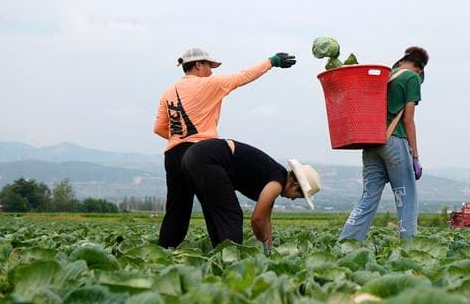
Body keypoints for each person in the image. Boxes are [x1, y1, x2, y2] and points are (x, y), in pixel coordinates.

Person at [153, 47, 297, 248]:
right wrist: (271, 62)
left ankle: (163, 254)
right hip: (202, 152)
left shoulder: (167, 93)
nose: (211, 71)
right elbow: (242, 77)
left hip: (173, 154)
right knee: (224, 212)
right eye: (209, 66)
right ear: (198, 65)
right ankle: (227, 261)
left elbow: (159, 128)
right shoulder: (209, 84)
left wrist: (182, 136)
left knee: (177, 210)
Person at [339, 46, 428, 241]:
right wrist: (415, 156)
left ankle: (346, 242)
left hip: (371, 142)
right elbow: (408, 120)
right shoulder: (412, 78)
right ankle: (409, 247)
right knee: (406, 197)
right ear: (420, 69)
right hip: (394, 141)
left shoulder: (384, 76)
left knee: (368, 197)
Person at [180, 138, 321, 253]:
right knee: (232, 215)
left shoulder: (274, 178)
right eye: (298, 195)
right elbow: (257, 220)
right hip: (208, 158)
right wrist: (265, 245)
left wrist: (269, 251)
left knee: (215, 213)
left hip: (192, 156)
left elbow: (266, 221)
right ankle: (229, 264)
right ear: (295, 185)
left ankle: (220, 254)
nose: (293, 199)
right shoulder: (277, 182)